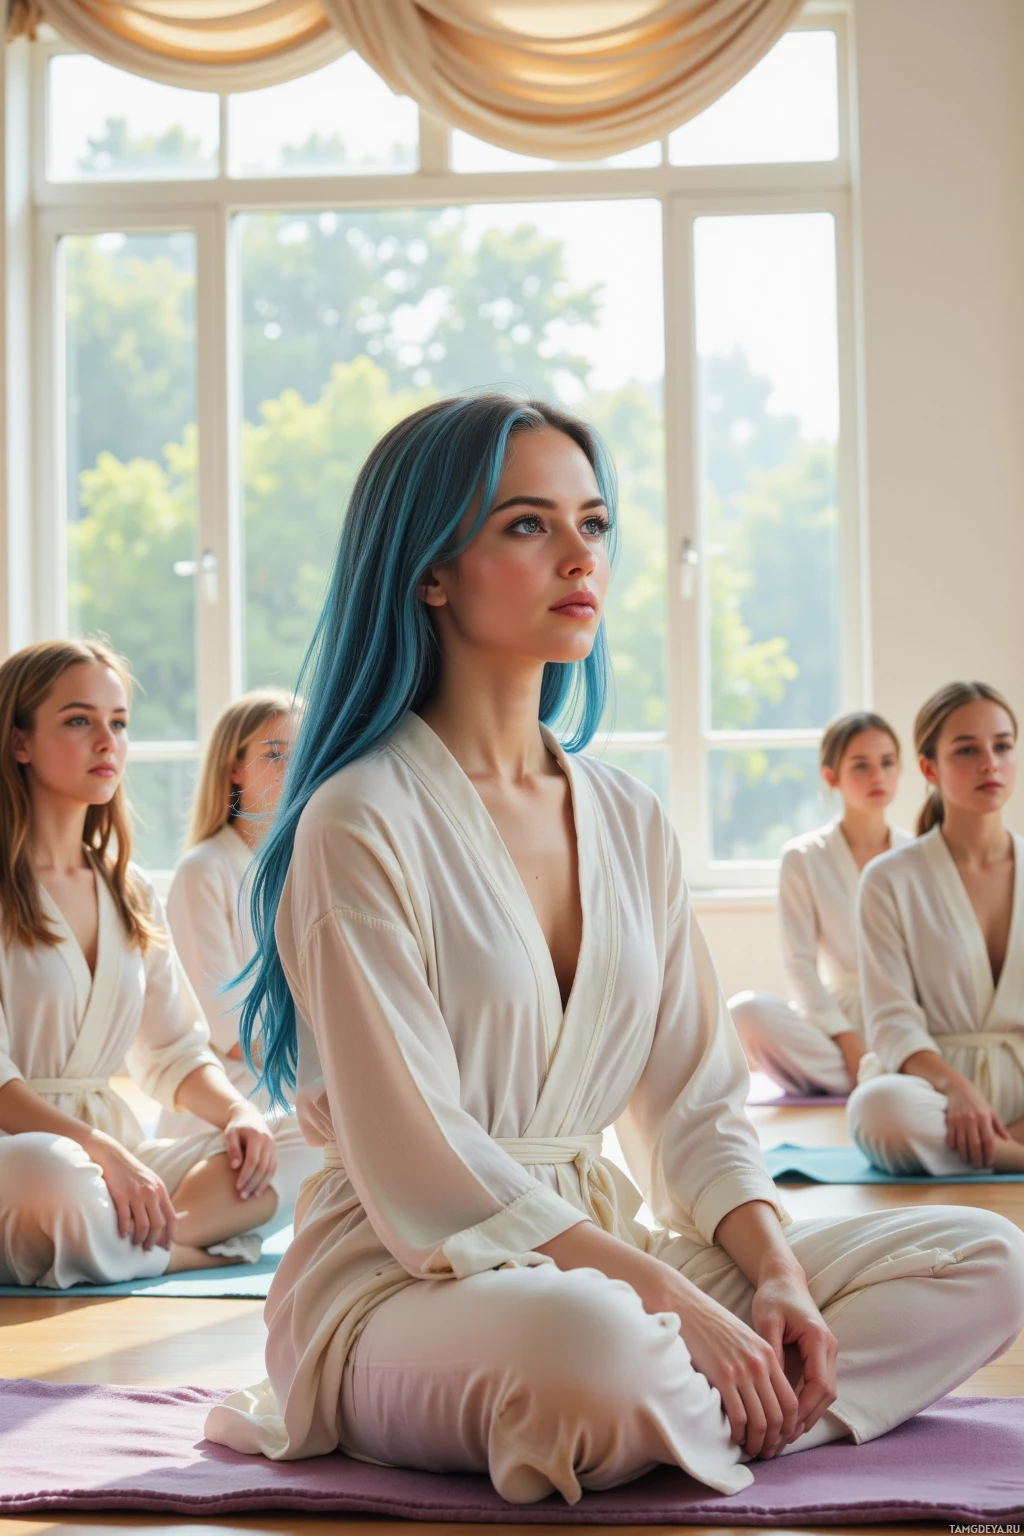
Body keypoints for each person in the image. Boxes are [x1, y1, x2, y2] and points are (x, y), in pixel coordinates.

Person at [205, 398, 1024, 1504]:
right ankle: (707, 1401)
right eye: (527, 525)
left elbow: (693, 1107)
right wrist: (678, 1306)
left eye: (592, 523)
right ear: (430, 570)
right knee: (587, 1346)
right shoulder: (357, 818)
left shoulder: (628, 815)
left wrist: (773, 1278)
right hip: (407, 1283)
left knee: (983, 1261)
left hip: (604, 1253)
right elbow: (422, 1163)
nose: (580, 555)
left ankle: (713, 1411)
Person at [0, 638, 280, 1288]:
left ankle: (132, 1240)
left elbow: (176, 1052)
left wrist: (239, 1116)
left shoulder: (129, 890)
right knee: (57, 1174)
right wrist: (101, 1152)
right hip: (30, 1155)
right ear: (19, 741)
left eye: (119, 722)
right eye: (79, 720)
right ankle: (172, 1246)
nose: (108, 741)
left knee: (305, 1149)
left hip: (116, 1157)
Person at [155, 690, 322, 1223]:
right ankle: (197, 1227)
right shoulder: (204, 870)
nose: (291, 769)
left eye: (301, 753)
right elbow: (229, 1031)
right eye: (275, 754)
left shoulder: (304, 868)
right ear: (234, 767)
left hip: (294, 1078)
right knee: (329, 1131)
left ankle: (227, 1227)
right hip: (234, 1095)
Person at [848, 681, 1024, 1175]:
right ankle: (1007, 1153)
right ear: (930, 768)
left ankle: (992, 1150)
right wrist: (957, 1088)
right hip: (933, 1090)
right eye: (967, 749)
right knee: (879, 1111)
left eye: (1003, 746)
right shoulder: (889, 878)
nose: (991, 762)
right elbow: (891, 1020)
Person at [730, 713, 910, 1096]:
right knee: (745, 1013)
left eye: (888, 762)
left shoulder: (918, 853)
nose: (878, 776)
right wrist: (847, 1041)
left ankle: (887, 1078)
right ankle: (881, 1080)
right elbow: (799, 964)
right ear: (831, 777)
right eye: (860, 765)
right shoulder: (802, 857)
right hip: (835, 1021)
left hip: (908, 1014)